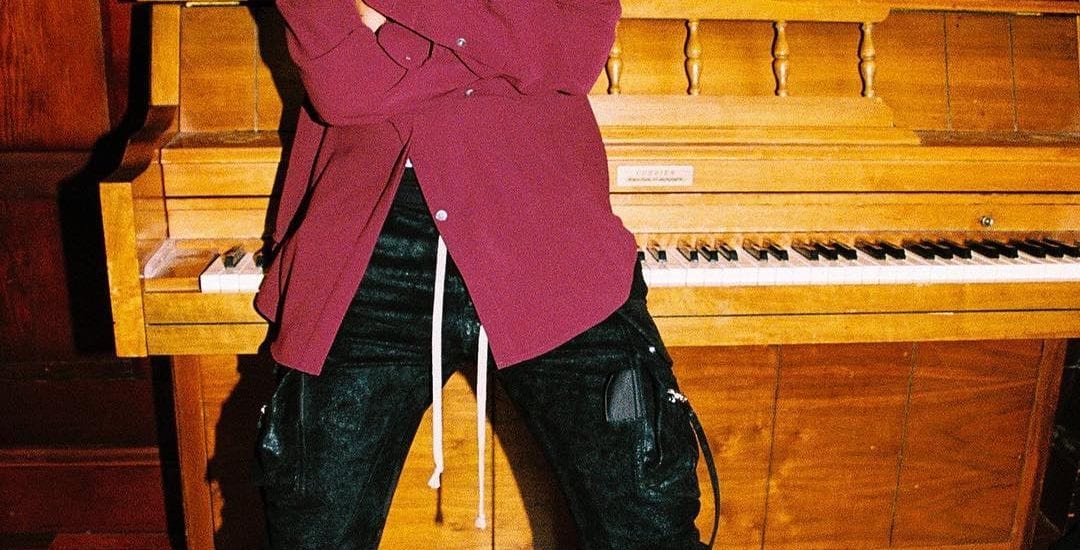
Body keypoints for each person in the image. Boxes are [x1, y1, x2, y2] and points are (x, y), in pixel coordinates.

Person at [252, 0, 713, 547]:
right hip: (365, 254)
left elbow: (577, 47)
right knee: (309, 532)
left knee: (649, 526)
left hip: (551, 237)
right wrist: (499, 42)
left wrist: (391, 24)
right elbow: (344, 84)